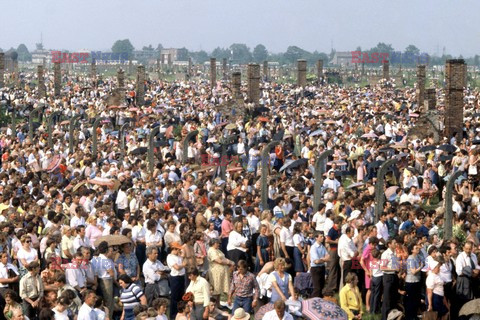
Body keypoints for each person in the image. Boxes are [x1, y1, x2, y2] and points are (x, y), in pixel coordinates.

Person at [166, 242, 186, 319]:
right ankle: (173, 315)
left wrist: (182, 255)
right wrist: (183, 265)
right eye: (178, 250)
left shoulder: (178, 256)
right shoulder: (170, 257)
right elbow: (177, 267)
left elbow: (183, 259)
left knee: (181, 296)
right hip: (175, 278)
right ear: (174, 249)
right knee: (175, 297)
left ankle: (180, 312)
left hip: (181, 277)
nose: (179, 251)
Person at [380, 238, 399, 320]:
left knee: (393, 299)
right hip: (388, 277)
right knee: (387, 300)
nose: (396, 244)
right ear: (389, 244)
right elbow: (382, 267)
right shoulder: (386, 254)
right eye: (394, 243)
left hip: (394, 276)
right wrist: (393, 269)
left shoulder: (394, 253)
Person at [309, 231, 329, 297]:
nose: (323, 238)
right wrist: (324, 259)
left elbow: (328, 258)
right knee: (317, 288)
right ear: (316, 238)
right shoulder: (313, 247)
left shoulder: (322, 247)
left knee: (321, 287)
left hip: (322, 268)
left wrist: (321, 259)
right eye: (321, 236)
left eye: (323, 236)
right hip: (315, 269)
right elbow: (316, 261)